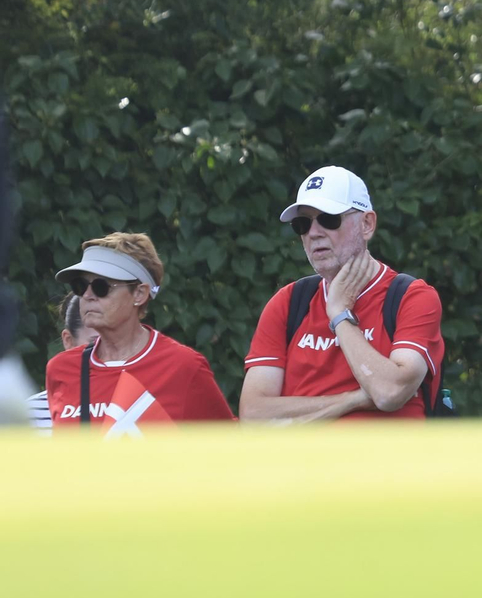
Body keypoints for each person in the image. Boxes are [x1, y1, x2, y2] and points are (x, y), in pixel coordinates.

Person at [241, 165, 445, 421]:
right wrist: (354, 399)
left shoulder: (412, 297)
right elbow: (254, 416)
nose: (314, 232)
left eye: (329, 218)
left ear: (367, 224)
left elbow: (388, 393)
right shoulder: (289, 302)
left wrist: (340, 315)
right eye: (303, 223)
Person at [44, 232, 234, 430]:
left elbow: (228, 447)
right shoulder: (60, 369)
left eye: (101, 287)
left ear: (139, 294)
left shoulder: (183, 367)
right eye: (80, 286)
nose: (88, 295)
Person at [27, 295, 90, 428]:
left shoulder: (141, 402)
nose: (111, 351)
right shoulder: (29, 415)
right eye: (96, 343)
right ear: (68, 341)